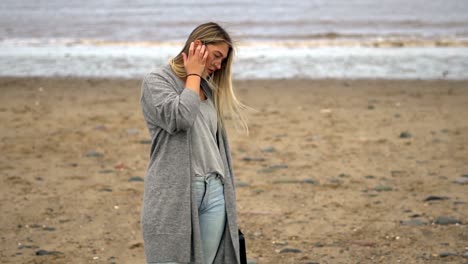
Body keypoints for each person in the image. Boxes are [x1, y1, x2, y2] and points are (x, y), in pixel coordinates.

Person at [140, 22, 248, 264]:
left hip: (215, 191)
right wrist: (193, 74)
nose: (219, 65)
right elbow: (180, 118)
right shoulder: (157, 81)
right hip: (174, 192)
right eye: (217, 56)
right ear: (197, 46)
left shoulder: (207, 89)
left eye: (223, 60)